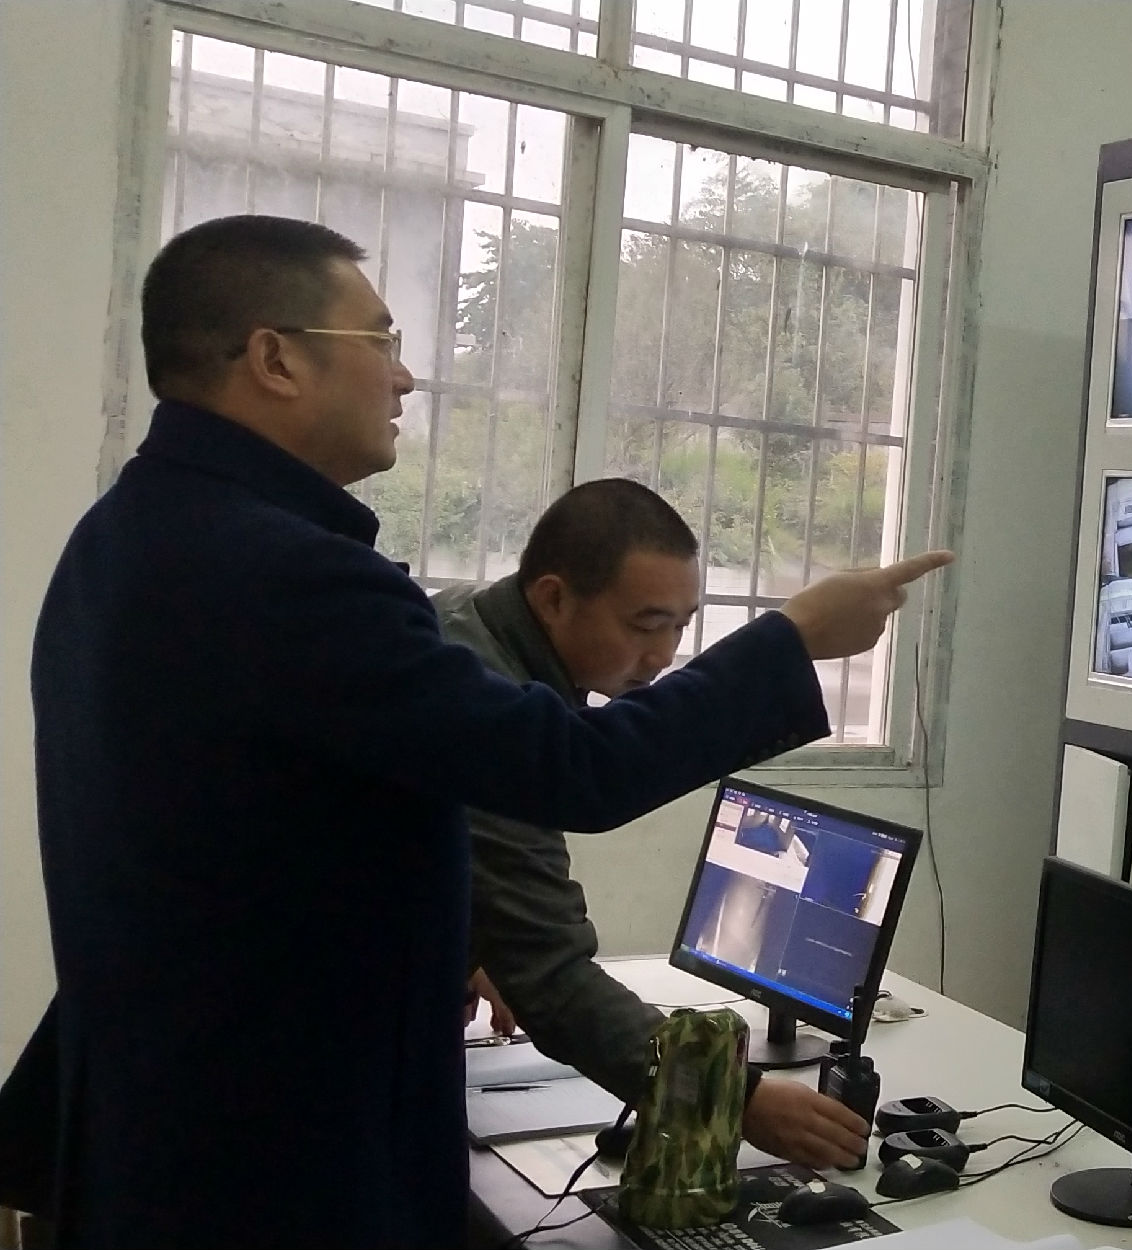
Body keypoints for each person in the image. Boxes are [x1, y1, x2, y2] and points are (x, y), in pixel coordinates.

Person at [0, 215, 949, 1248]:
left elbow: (244, 838)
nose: (405, 377)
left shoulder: (125, 534)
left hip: (159, 1124)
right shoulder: (289, 575)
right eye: (382, 340)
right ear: (275, 358)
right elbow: (573, 768)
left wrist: (438, 933)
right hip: (267, 1162)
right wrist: (793, 639)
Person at [438, 479, 871, 1171]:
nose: (665, 655)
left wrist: (477, 940)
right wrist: (736, 1097)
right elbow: (553, 981)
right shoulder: (487, 693)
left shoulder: (468, 621)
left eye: (680, 625)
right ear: (552, 598)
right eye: (645, 626)